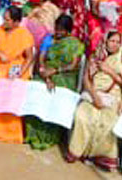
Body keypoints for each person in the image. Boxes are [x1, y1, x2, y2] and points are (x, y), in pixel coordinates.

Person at [66, 29, 122, 171]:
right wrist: (95, 97)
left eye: (117, 42)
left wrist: (111, 72)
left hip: (114, 97)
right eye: (111, 41)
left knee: (108, 121)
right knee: (82, 115)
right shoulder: (95, 57)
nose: (114, 45)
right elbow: (86, 80)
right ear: (105, 41)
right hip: (93, 93)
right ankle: (78, 152)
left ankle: (100, 156)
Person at [25, 13, 85, 150]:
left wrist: (55, 71)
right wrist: (46, 77)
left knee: (58, 94)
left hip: (65, 75)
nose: (57, 32)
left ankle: (51, 135)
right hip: (45, 72)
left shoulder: (75, 44)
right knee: (37, 89)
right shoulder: (49, 40)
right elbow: (41, 60)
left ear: (68, 31)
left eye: (61, 30)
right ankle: (33, 133)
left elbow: (73, 66)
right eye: (56, 28)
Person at [0, 6, 35, 142]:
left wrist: (20, 72)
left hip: (16, 67)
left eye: (8, 20)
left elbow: (29, 57)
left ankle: (10, 130)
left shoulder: (24, 34)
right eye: (4, 18)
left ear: (16, 22)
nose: (5, 22)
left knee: (12, 87)